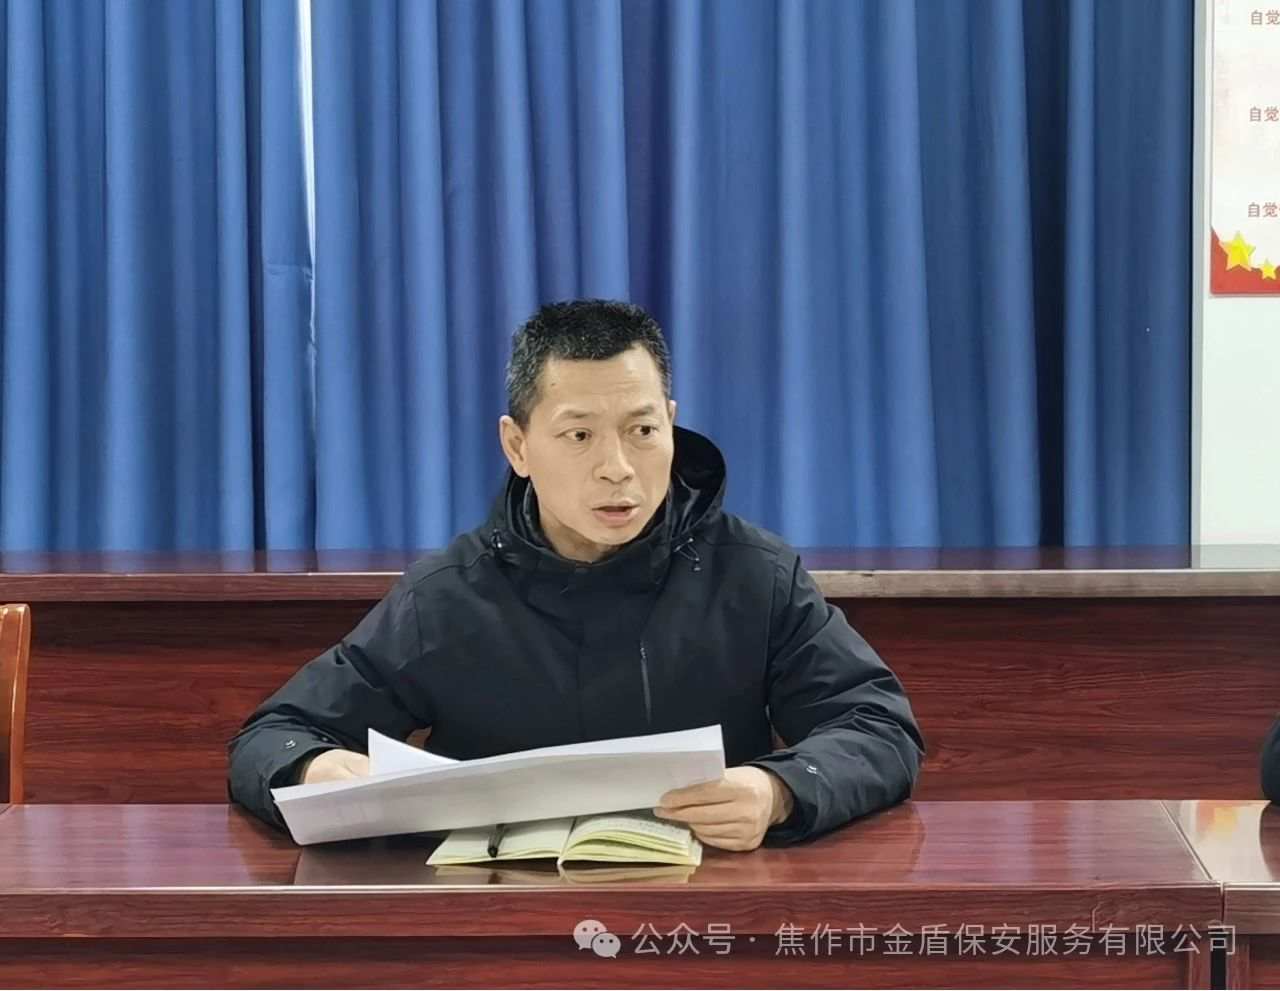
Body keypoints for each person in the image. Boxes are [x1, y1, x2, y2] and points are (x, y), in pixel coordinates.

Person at [228, 299, 924, 850]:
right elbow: (274, 735)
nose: (617, 468)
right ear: (517, 445)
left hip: (694, 916)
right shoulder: (447, 595)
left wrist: (778, 791)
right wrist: (314, 767)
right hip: (498, 923)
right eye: (579, 434)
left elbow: (877, 726)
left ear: (671, 424)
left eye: (642, 430)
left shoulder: (753, 574)